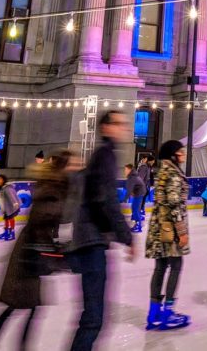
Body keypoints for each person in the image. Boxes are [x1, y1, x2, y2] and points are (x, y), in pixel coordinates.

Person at [0, 150, 72, 351]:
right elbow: (43, 223)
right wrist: (55, 252)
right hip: (29, 256)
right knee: (21, 306)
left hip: (31, 253)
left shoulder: (53, 187)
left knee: (24, 307)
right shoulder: (52, 190)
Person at [68, 112, 136, 350]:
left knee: (93, 316)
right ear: (105, 128)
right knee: (94, 318)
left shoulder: (103, 155)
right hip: (91, 243)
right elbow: (106, 200)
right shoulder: (105, 155)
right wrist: (126, 236)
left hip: (90, 241)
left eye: (124, 123)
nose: (123, 128)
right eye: (118, 123)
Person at [145, 140, 191, 331]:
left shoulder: (162, 171)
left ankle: (154, 311)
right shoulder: (172, 173)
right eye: (181, 152)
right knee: (176, 265)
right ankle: (168, 311)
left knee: (161, 266)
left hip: (159, 227)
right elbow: (174, 204)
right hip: (170, 229)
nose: (183, 155)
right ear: (173, 155)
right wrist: (182, 232)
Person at [0, 174, 21, 242]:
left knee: (10, 219)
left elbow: (11, 195)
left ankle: (12, 233)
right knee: (6, 219)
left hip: (11, 208)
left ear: (3, 180)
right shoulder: (2, 188)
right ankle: (7, 232)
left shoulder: (7, 188)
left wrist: (15, 203)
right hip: (6, 209)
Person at [124, 163, 145, 233]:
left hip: (139, 194)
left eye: (126, 169)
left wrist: (125, 198)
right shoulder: (132, 176)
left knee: (135, 209)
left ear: (130, 170)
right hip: (138, 193)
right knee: (134, 207)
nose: (125, 171)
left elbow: (129, 189)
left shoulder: (132, 177)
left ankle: (138, 226)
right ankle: (137, 222)